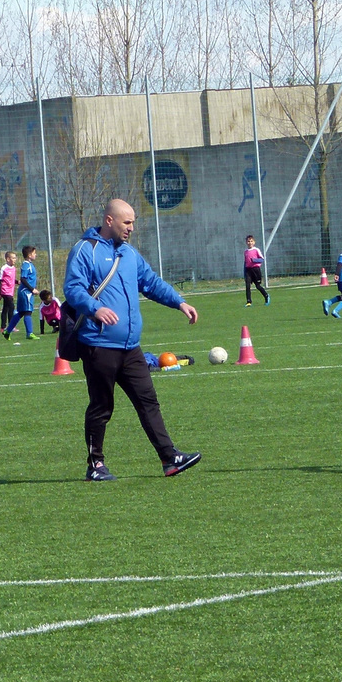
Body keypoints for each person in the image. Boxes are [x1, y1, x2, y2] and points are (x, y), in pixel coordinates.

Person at [63, 197, 202, 482]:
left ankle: (169, 458)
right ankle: (95, 465)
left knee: (148, 401)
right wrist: (95, 308)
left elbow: (150, 282)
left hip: (130, 347)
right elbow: (73, 289)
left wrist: (179, 302)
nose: (131, 228)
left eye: (133, 222)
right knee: (102, 406)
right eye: (127, 222)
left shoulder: (129, 254)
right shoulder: (85, 250)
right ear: (109, 220)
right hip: (99, 344)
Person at [4, 245, 38, 339]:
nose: (36, 255)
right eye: (34, 253)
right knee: (28, 312)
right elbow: (23, 279)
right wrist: (32, 289)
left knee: (21, 312)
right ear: (29, 255)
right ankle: (29, 333)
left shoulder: (29, 264)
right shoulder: (26, 265)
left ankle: (7, 331)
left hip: (25, 292)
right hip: (26, 292)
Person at [243, 234, 268, 305]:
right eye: (248, 241)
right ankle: (249, 301)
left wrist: (255, 260)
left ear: (254, 242)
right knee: (247, 285)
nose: (250, 243)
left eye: (251, 241)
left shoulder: (256, 250)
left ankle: (266, 296)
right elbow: (245, 262)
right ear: (246, 242)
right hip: (248, 270)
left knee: (258, 286)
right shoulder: (246, 252)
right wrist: (244, 272)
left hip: (256, 270)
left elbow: (262, 259)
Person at [0, 251, 18, 333]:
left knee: (5, 308)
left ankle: (3, 327)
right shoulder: (4, 268)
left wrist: (17, 282)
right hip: (5, 291)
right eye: (13, 258)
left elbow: (11, 280)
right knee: (11, 307)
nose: (15, 259)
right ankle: (11, 326)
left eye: (15, 258)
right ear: (8, 259)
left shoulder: (13, 268)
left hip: (10, 291)